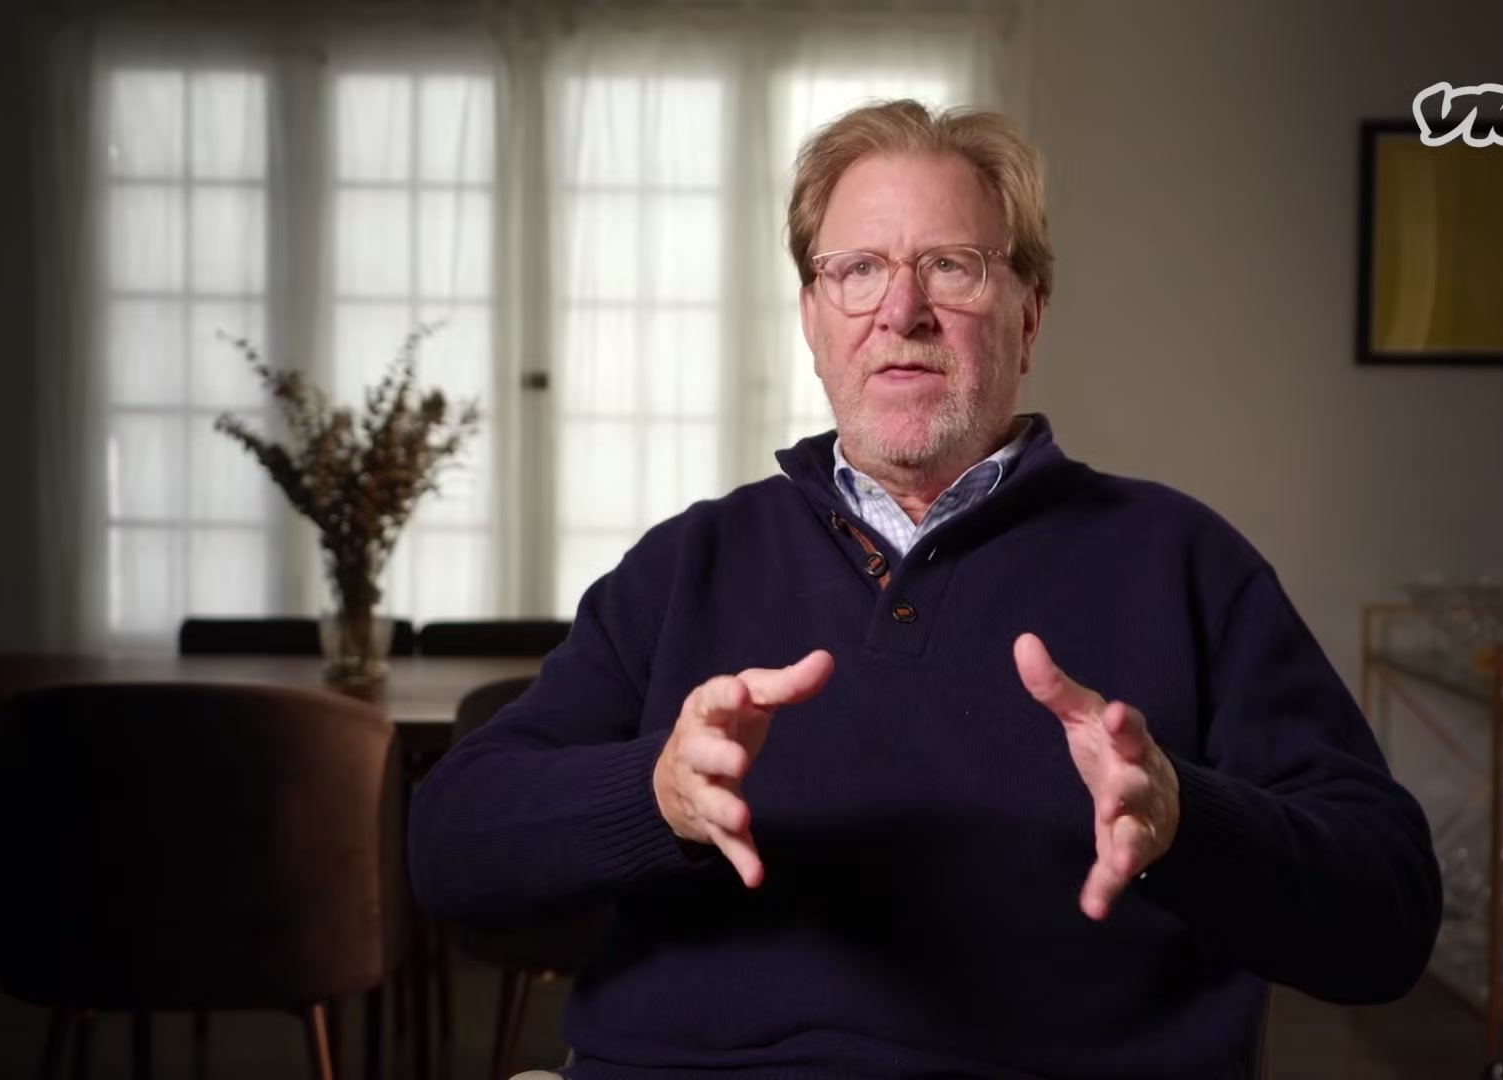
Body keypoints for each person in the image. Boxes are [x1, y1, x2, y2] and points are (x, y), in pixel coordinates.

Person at [408, 99, 1441, 1079]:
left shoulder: (1185, 563)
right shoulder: (690, 563)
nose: (902, 311)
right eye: (858, 270)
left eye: (952, 267)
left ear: (1029, 316)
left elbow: (1390, 916)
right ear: (812, 320)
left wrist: (1189, 824)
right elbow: (450, 846)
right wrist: (656, 794)